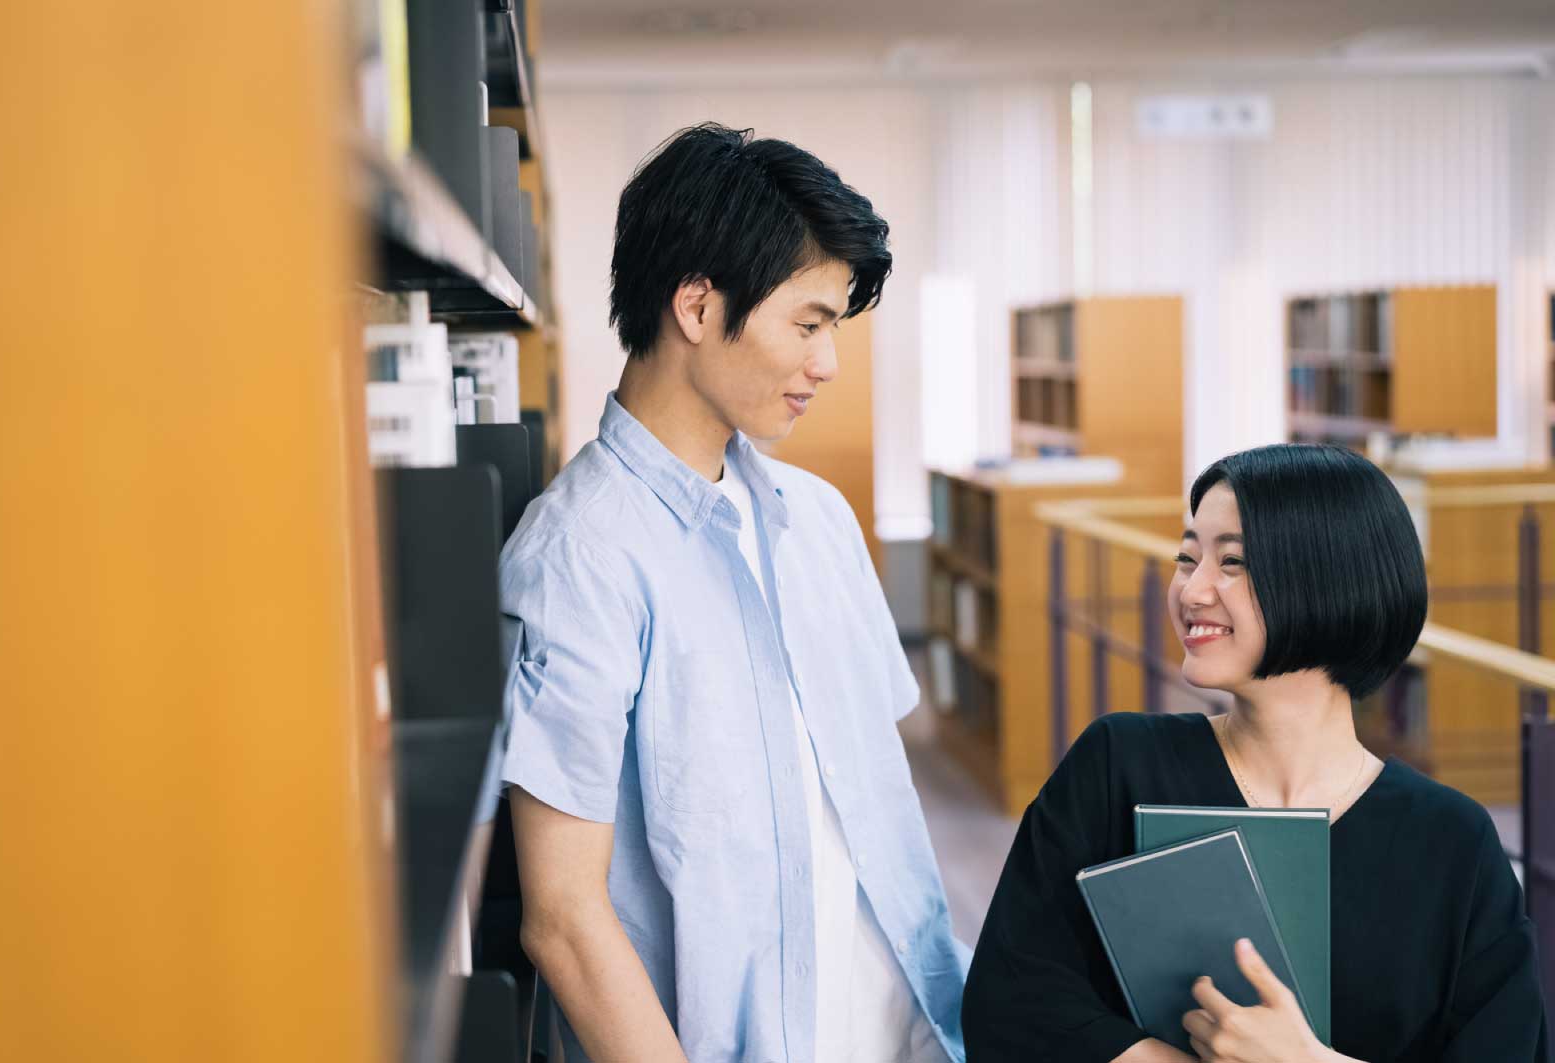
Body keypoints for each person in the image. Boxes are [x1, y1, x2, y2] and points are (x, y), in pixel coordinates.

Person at [498, 122, 968, 1063]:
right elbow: (562, 918)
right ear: (699, 306)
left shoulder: (821, 519)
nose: (827, 364)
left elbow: (873, 809)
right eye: (808, 323)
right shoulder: (579, 553)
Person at [962, 443, 1550, 1063]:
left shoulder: (1452, 841)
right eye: (1187, 558)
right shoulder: (1117, 765)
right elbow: (1008, 1003)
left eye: (1233, 562)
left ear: (1332, 576)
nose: (1193, 590)